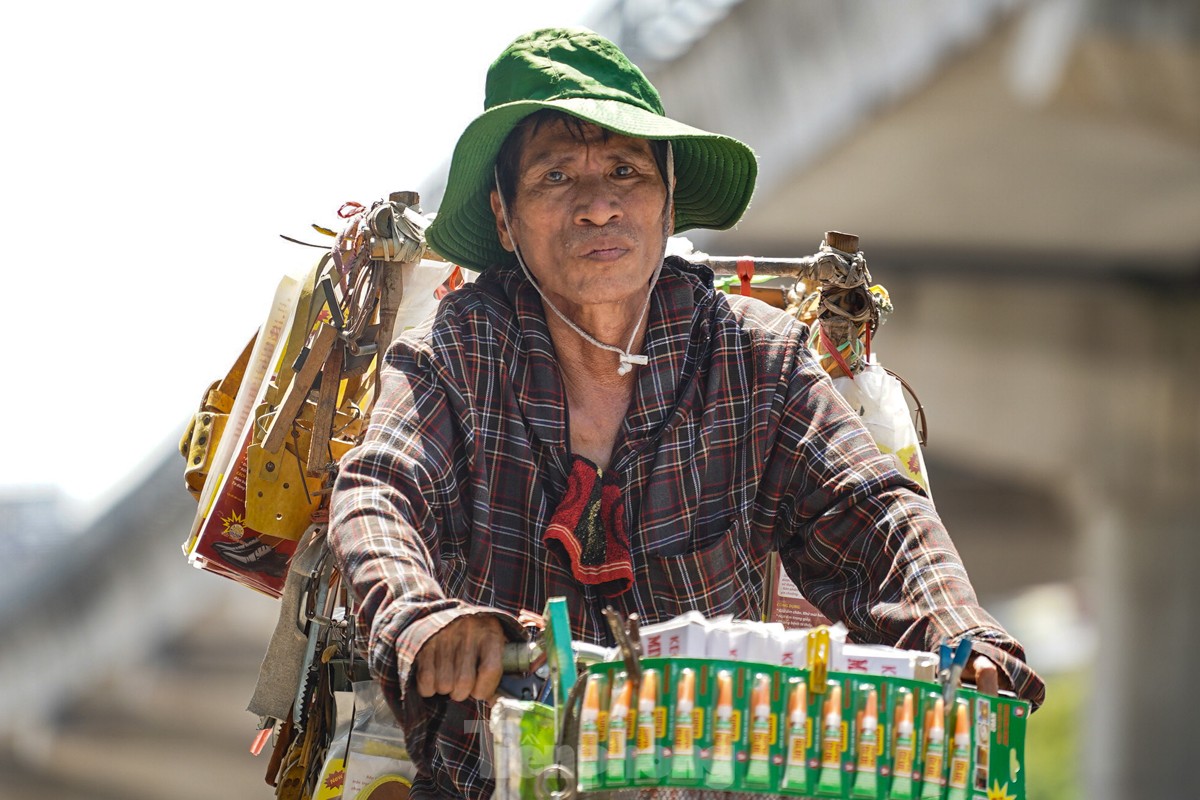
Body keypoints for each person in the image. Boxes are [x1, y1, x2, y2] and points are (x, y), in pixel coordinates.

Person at [329, 26, 1043, 799]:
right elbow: (378, 493)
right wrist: (423, 617)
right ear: (504, 218)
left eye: (625, 171)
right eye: (555, 175)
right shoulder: (456, 352)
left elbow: (874, 512)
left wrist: (962, 638)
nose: (598, 205)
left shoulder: (754, 357)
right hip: (496, 781)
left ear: (668, 202)